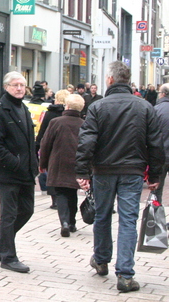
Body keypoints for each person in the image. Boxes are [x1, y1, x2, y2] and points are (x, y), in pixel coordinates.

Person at [76, 61, 164, 293]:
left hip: (103, 170)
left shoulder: (98, 107)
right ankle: (125, 274)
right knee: (128, 220)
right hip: (133, 171)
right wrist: (154, 175)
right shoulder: (145, 107)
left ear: (111, 80)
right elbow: (156, 144)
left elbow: (87, 141)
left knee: (102, 216)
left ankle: (101, 259)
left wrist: (82, 172)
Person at [0, 71, 38, 274]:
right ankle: (8, 257)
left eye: (22, 85)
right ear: (6, 87)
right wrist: (14, 163)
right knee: (8, 215)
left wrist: (34, 164)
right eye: (15, 85)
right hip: (9, 173)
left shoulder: (23, 108)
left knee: (27, 210)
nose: (19, 88)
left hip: (26, 172)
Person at [38, 94, 85, 237]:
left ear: (67, 106)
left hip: (58, 162)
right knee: (72, 193)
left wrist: (42, 163)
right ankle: (72, 222)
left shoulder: (56, 122)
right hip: (77, 163)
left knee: (61, 192)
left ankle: (64, 221)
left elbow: (45, 144)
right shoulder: (84, 124)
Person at [35, 89, 70, 209]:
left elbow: (43, 131)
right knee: (65, 173)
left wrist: (37, 145)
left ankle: (54, 199)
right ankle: (65, 198)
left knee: (51, 173)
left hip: (51, 147)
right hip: (67, 147)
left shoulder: (49, 113)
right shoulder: (69, 113)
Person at [153, 83, 169, 204]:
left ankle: (157, 219)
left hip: (160, 155)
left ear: (163, 94)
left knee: (157, 188)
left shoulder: (156, 110)